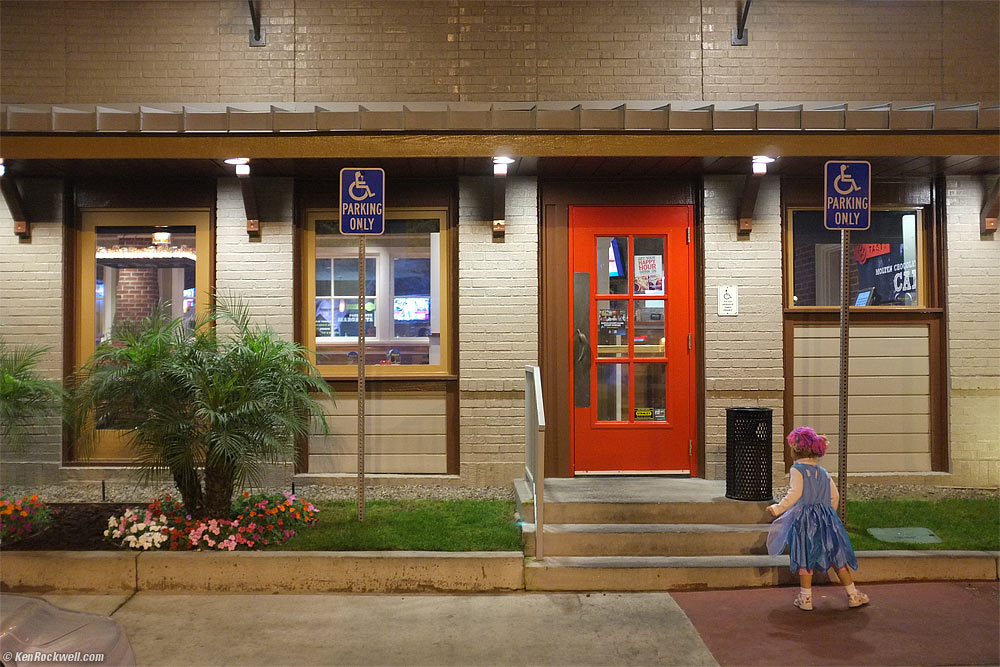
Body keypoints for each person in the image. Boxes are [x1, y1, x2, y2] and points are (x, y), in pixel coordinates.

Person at [767, 426, 870, 611]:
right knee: (838, 557)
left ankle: (806, 599)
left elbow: (794, 494)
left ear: (795, 450)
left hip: (806, 520)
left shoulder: (797, 470)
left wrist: (777, 508)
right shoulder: (823, 472)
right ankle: (853, 595)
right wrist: (828, 513)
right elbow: (835, 496)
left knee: (805, 556)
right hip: (827, 519)